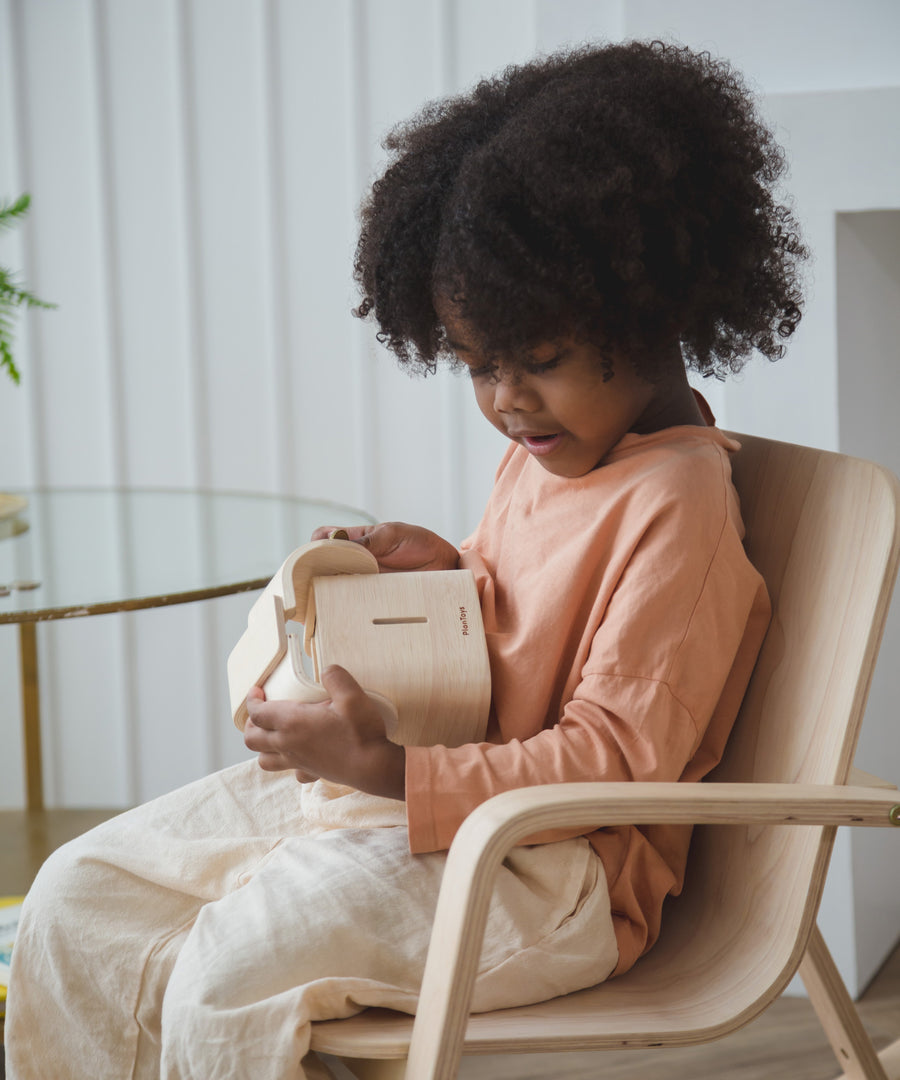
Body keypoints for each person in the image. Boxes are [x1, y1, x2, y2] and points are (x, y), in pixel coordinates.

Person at [6, 39, 807, 1080]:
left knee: (230, 970)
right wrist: (437, 561)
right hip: (425, 808)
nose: (506, 399)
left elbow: (613, 761)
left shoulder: (678, 507)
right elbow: (515, 607)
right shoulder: (559, 449)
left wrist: (390, 767)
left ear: (648, 305)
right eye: (479, 365)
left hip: (552, 874)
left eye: (540, 360)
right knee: (81, 898)